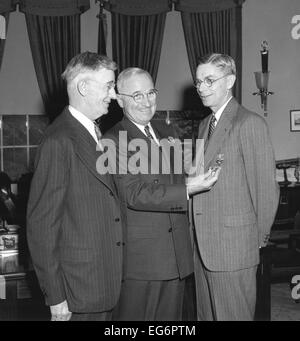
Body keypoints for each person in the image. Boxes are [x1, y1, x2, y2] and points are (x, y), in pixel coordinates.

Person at [103, 67, 220, 321]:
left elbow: (176, 181)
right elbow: (134, 193)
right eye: (137, 95)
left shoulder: (168, 134)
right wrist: (189, 187)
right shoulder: (112, 141)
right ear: (120, 99)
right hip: (141, 264)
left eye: (151, 92)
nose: (146, 101)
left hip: (176, 259)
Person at [26, 52, 124, 321]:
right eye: (108, 86)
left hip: (102, 284)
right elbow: (42, 226)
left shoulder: (93, 132)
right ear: (83, 87)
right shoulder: (59, 140)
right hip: (77, 294)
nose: (113, 94)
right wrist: (56, 297)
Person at [191, 53, 280, 321]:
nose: (201, 88)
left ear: (230, 80)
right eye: (198, 82)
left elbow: (266, 192)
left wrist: (253, 243)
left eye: (209, 80)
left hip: (234, 250)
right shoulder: (204, 125)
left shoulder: (249, 123)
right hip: (202, 247)